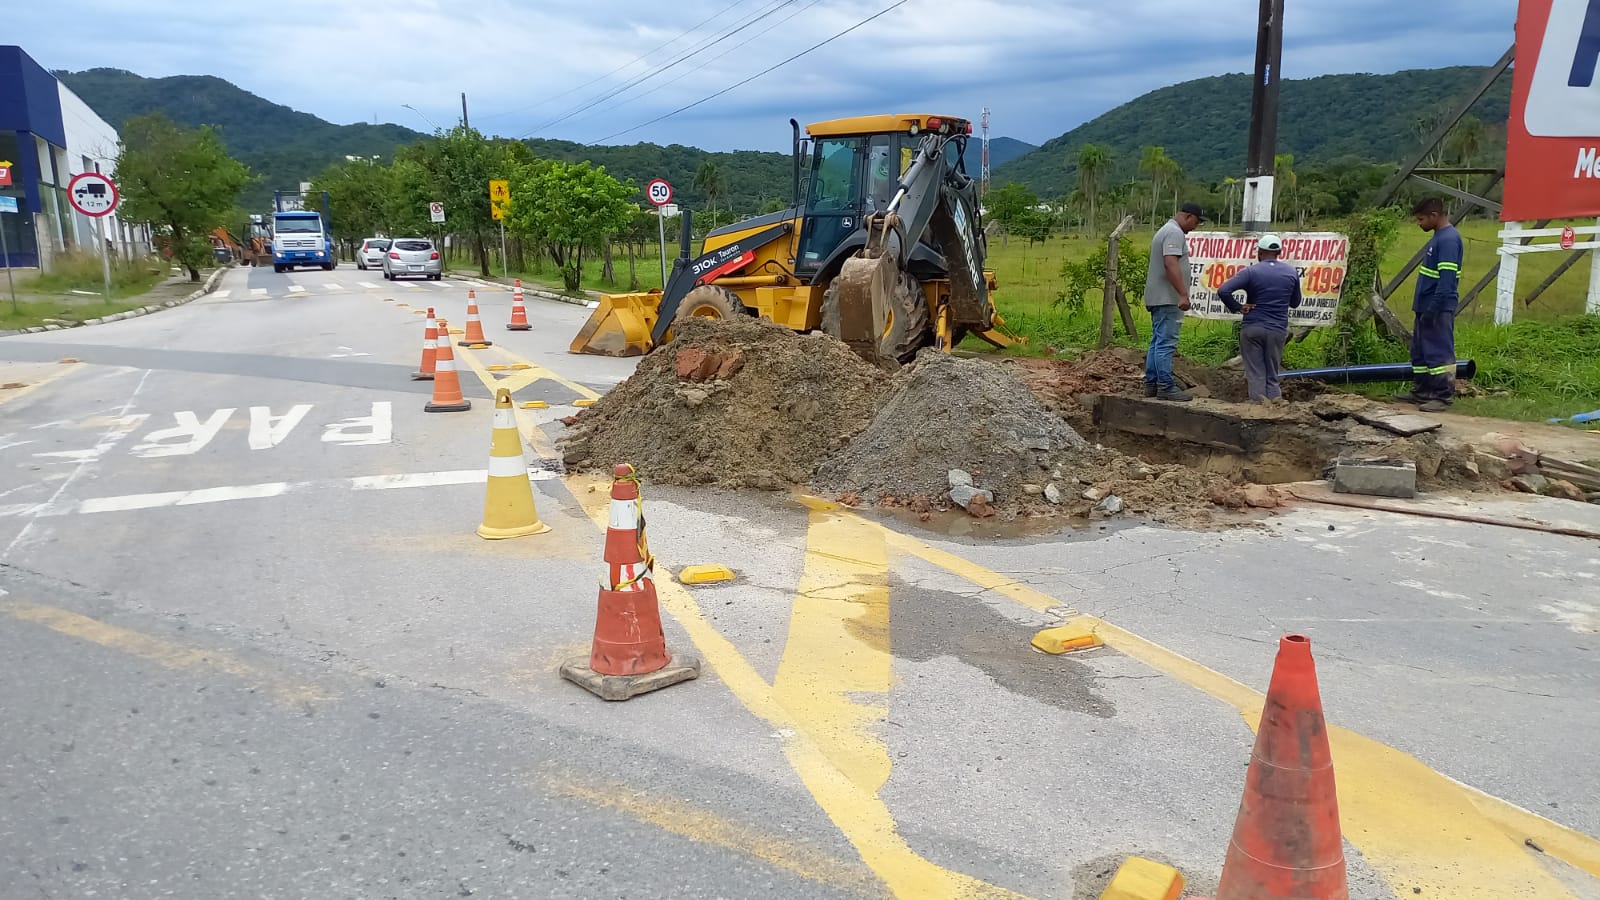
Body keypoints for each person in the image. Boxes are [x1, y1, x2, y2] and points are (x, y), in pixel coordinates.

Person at [1396, 197, 1463, 412]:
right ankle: (1422, 391)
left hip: (1438, 307)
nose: (1419, 223)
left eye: (1421, 219)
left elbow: (1446, 281)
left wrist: (1433, 309)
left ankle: (1442, 396)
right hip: (1425, 306)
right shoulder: (1438, 237)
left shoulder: (1448, 240)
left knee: (1439, 353)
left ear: (1434, 216)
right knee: (1421, 353)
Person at [1217, 234, 1303, 403]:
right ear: (1279, 252)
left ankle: (1257, 409)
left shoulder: (1251, 272)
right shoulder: (1291, 272)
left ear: (1260, 252)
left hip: (1253, 327)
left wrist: (1239, 307)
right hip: (1277, 329)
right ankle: (1275, 408)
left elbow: (1224, 291)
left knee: (1255, 372)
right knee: (1272, 372)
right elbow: (1295, 302)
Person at [1143, 202, 1205, 401]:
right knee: (1166, 343)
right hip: (1168, 298)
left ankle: (1152, 385)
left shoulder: (1166, 230)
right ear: (1188, 216)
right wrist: (1183, 294)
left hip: (1160, 297)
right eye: (1196, 222)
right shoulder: (1174, 232)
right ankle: (1165, 387)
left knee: (1157, 342)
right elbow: (1170, 263)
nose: (1195, 227)